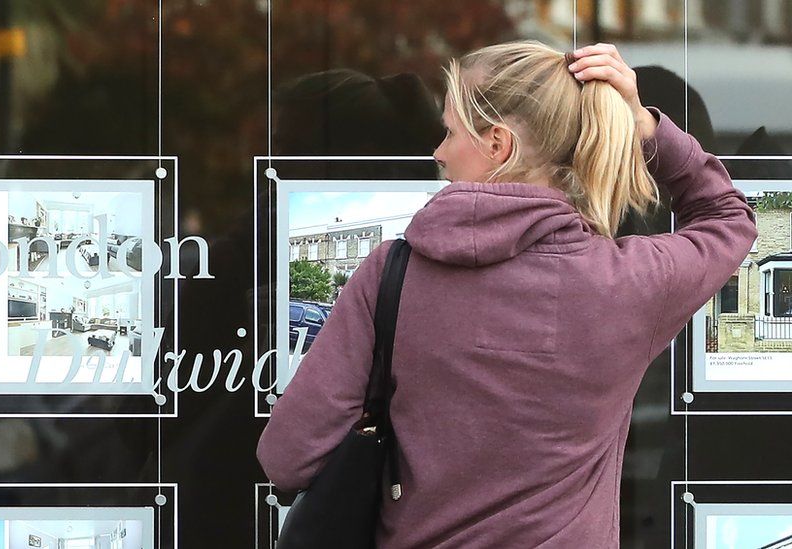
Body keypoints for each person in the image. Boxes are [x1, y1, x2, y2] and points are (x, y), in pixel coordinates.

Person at [256, 40, 757, 548]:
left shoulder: (393, 274)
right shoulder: (628, 282)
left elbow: (288, 455)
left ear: (499, 145)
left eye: (450, 133)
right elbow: (727, 217)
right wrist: (645, 126)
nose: (438, 152)